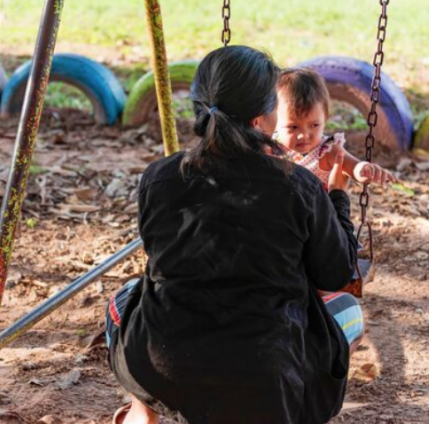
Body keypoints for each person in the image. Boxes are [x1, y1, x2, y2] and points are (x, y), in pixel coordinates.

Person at [106, 46, 363, 424]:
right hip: (267, 374)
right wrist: (338, 197)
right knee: (348, 310)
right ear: (264, 118)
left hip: (165, 362)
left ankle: (143, 411)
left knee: (126, 297)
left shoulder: (158, 177)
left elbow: (162, 256)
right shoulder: (298, 186)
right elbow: (336, 273)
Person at [273, 67, 396, 189]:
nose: (304, 135)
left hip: (318, 208)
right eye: (293, 127)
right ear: (273, 121)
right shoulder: (270, 148)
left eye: (314, 125)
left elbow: (354, 167)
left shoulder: (328, 152)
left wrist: (364, 170)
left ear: (325, 119)